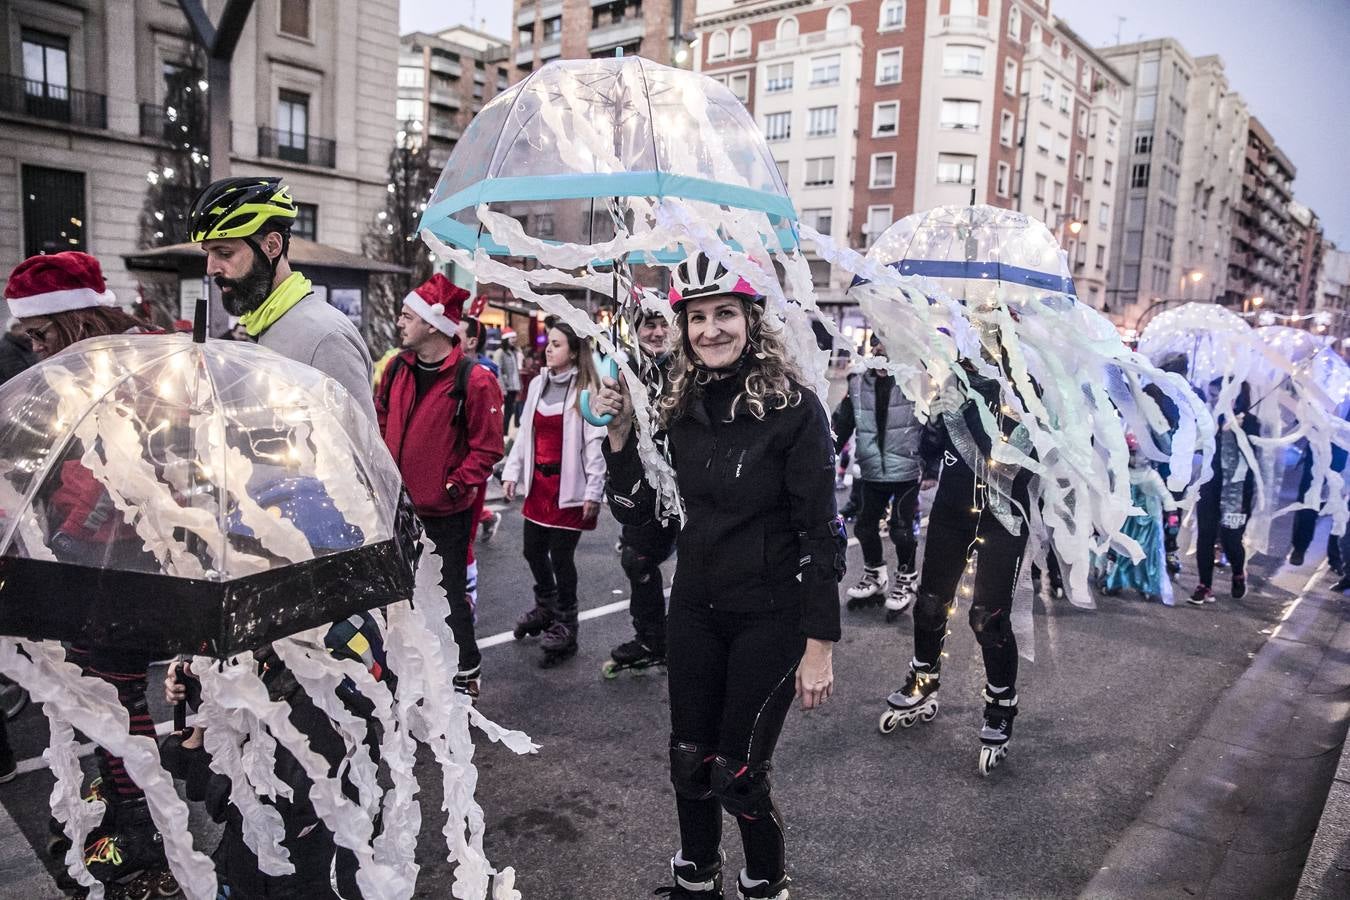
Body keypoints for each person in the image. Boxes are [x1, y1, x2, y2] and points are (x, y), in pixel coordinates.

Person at [592, 254, 842, 900]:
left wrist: (819, 645)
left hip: (771, 618)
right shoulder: (680, 407)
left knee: (738, 774)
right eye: (696, 318)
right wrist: (620, 438)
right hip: (696, 611)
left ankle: (764, 884)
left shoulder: (795, 411)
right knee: (689, 762)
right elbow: (647, 526)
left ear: (751, 321)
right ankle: (694, 878)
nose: (710, 330)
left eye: (724, 314)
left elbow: (821, 533)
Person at [4, 251, 175, 894]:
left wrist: (76, 536)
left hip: (126, 559)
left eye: (43, 333)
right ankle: (127, 798)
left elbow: (133, 467)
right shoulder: (87, 363)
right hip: (91, 549)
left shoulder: (137, 367)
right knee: (101, 690)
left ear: (75, 317)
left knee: (115, 690)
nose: (37, 348)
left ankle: (141, 828)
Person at [880, 359, 1034, 777]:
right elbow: (931, 440)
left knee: (988, 618)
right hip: (952, 508)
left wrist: (1031, 418)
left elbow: (1059, 448)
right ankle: (923, 679)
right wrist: (933, 411)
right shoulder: (956, 373)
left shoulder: (1033, 378)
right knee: (930, 605)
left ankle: (1001, 704)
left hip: (1004, 513)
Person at [376, 274, 504, 699]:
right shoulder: (397, 368)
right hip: (398, 508)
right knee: (399, 593)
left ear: (433, 324)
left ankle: (466, 670)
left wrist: (453, 486)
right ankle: (408, 668)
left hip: (445, 512)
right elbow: (379, 418)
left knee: (448, 596)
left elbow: (487, 449)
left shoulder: (475, 378)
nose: (399, 322)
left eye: (407, 315)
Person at [190, 176, 375, 422]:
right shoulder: (260, 325)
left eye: (224, 253)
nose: (211, 268)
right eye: (208, 253)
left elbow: (361, 454)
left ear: (272, 246)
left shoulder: (324, 338)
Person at [503, 320, 606, 667]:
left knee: (561, 558)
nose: (549, 348)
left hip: (570, 491)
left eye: (557, 344)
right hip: (539, 488)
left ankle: (567, 622)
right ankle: (546, 605)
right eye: (549, 343)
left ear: (574, 351)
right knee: (532, 551)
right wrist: (512, 473)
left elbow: (595, 445)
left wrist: (594, 489)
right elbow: (524, 436)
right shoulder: (537, 384)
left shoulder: (586, 390)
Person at [603, 309, 680, 677]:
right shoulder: (624, 369)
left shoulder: (689, 366)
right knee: (637, 561)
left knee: (702, 569)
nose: (658, 331)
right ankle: (652, 639)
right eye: (649, 324)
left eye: (664, 322)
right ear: (634, 331)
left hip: (692, 485)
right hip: (645, 483)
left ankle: (689, 639)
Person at [831, 335, 930, 620]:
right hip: (872, 469)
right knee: (864, 527)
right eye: (875, 343)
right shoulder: (858, 382)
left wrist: (932, 466)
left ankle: (907, 576)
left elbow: (933, 423)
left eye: (885, 342)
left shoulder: (915, 381)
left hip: (907, 471)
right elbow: (843, 423)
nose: (878, 348)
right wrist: (827, 454)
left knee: (901, 529)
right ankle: (875, 574)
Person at [1189, 380, 1259, 606]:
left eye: (1218, 394)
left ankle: (1238, 572)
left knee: (1231, 538)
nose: (1215, 398)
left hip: (1237, 491)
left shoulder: (1250, 422)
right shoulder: (1210, 417)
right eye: (1213, 394)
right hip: (1210, 484)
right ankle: (1204, 585)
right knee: (1206, 535)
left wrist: (1240, 432)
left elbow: (1254, 458)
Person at [1099, 433, 1176, 604]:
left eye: (1136, 453)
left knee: (1146, 556)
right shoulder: (1117, 470)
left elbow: (1166, 497)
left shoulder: (1151, 477)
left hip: (1148, 523)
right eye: (1131, 453)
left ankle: (1146, 585)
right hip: (1125, 520)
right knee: (1121, 553)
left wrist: (1172, 519)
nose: (1133, 457)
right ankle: (1115, 581)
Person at [495, 328, 523, 433]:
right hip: (506, 388)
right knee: (505, 412)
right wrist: (503, 388)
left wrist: (519, 386)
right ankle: (503, 433)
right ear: (506, 339)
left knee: (510, 411)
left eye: (515, 337)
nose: (515, 340)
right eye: (512, 337)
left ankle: (506, 433)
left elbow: (516, 371)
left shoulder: (513, 352)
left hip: (513, 387)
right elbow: (498, 371)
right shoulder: (500, 352)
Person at [0, 316, 37, 383]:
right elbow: (16, 374)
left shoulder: (24, 341)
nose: (26, 331)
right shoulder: (6, 348)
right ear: (15, 328)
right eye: (22, 327)